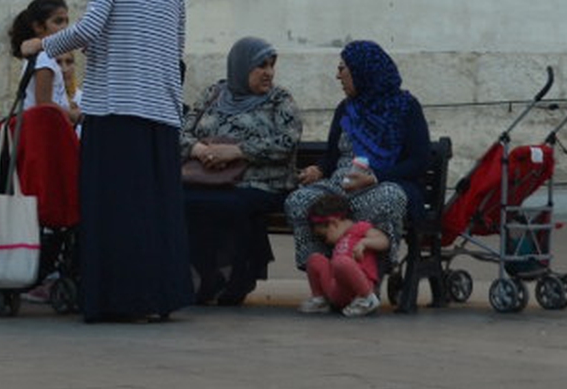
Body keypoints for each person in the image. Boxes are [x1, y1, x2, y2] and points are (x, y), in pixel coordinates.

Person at [22, 0, 192, 323]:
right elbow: (177, 52)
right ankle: (159, 296)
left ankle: (120, 299)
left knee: (116, 209)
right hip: (162, 114)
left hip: (116, 109)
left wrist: (41, 45)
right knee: (156, 210)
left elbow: (91, 28)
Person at [282, 40, 431, 304]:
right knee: (299, 201)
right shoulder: (346, 108)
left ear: (363, 71)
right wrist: (318, 169)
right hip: (340, 184)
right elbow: (332, 155)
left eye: (343, 68)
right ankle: (323, 283)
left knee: (389, 199)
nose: (338, 75)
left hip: (380, 183)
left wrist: (374, 177)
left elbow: (419, 160)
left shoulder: (406, 108)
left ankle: (367, 285)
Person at [179, 36, 301, 306]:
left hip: (259, 183)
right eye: (261, 66)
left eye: (271, 65)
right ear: (241, 67)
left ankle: (236, 277)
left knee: (232, 205)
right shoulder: (213, 94)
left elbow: (287, 142)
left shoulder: (280, 100)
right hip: (208, 178)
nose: (269, 72)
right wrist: (200, 150)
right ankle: (204, 274)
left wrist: (238, 152)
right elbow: (182, 132)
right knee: (185, 201)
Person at [301, 191, 390, 317]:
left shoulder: (359, 228)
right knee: (315, 259)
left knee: (341, 262)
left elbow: (384, 241)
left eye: (323, 236)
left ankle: (366, 299)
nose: (325, 241)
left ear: (334, 223)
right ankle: (320, 299)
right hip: (337, 288)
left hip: (357, 286)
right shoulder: (339, 240)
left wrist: (365, 243)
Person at [10, 0, 82, 126]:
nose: (64, 27)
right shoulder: (44, 57)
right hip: (44, 130)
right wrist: (72, 115)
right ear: (38, 26)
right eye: (58, 21)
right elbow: (44, 104)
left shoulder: (47, 56)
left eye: (66, 21)